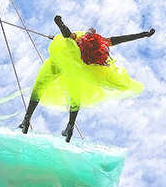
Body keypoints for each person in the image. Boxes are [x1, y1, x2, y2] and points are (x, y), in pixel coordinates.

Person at [18, 15, 155, 142]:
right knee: (74, 97)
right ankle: (70, 127)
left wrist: (60, 24)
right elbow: (120, 39)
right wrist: (142, 35)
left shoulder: (81, 37)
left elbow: (67, 34)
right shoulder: (101, 42)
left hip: (59, 61)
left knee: (40, 86)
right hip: (76, 69)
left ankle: (27, 119)